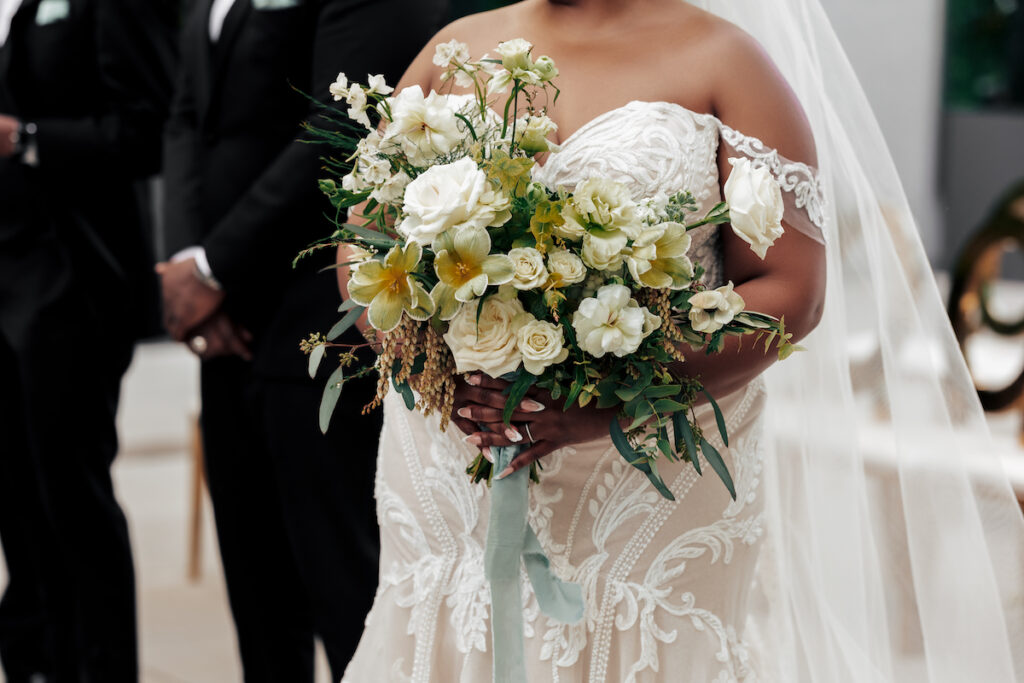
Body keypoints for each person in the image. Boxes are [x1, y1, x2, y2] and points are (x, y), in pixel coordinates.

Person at [338, 0, 1024, 681]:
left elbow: (790, 289)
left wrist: (604, 401)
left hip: (646, 463)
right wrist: (435, 367)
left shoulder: (728, 63)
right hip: (456, 455)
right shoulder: (455, 48)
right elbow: (363, 244)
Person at [158, 0, 447, 679]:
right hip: (223, 327)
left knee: (348, 586)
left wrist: (215, 267)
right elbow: (186, 118)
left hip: (323, 317)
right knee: (258, 597)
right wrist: (186, 266)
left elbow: (342, 127)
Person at [0, 0, 177, 680]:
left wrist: (27, 138)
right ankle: (33, 662)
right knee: (15, 502)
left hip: (74, 281)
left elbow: (149, 127)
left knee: (70, 497)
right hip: (2, 280)